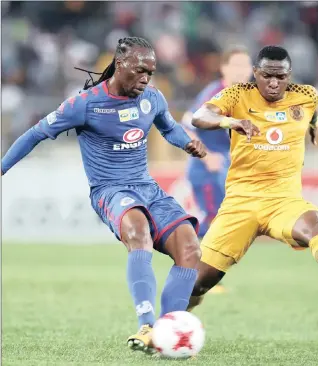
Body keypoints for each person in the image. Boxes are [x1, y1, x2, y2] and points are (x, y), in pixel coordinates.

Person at [1, 37, 207, 353]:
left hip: (147, 188)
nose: (146, 79)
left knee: (191, 248)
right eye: (140, 71)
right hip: (109, 191)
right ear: (119, 63)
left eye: (150, 73)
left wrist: (186, 141)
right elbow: (35, 134)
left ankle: (167, 332)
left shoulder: (152, 98)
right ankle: (147, 324)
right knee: (139, 233)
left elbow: (168, 128)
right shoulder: (85, 103)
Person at [186, 45, 318, 312]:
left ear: (290, 75)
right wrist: (232, 123)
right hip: (241, 201)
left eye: (281, 76)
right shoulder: (237, 94)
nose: (274, 83)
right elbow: (199, 116)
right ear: (255, 73)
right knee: (197, 283)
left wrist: (313, 129)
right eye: (267, 76)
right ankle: (165, 327)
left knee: (314, 226)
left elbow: (313, 115)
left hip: (283, 200)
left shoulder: (307, 96)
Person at [181, 45, 252, 294]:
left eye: (246, 65)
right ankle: (203, 276)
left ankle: (183, 245)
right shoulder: (214, 92)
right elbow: (185, 123)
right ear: (224, 68)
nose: (243, 71)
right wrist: (206, 154)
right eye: (237, 65)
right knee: (215, 221)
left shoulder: (249, 96)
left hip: (228, 170)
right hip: (208, 170)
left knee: (223, 222)